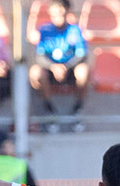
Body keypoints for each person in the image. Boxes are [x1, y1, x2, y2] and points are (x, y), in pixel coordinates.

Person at [33, 0, 91, 133]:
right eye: (55, 12)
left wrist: (65, 66)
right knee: (36, 73)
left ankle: (77, 109)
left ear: (67, 12)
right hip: (51, 70)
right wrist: (54, 67)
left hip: (70, 69)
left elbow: (82, 54)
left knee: (84, 71)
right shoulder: (44, 30)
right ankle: (49, 110)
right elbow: (39, 55)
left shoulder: (75, 30)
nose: (59, 15)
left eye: (61, 12)